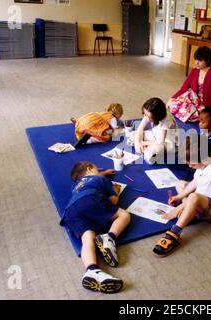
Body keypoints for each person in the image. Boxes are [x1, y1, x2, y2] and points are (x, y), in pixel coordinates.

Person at [60, 161, 131, 294]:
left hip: (71, 212)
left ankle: (92, 270)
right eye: (97, 169)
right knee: (124, 215)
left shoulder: (75, 186)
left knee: (87, 239)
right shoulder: (101, 179)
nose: (100, 171)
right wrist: (115, 190)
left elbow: (88, 179)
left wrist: (102, 173)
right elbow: (113, 201)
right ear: (89, 169)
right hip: (91, 200)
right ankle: (109, 238)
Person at [152, 139, 211, 257]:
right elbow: (196, 181)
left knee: (193, 197)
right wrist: (179, 196)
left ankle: (175, 232)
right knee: (180, 184)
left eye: (193, 164)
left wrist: (177, 209)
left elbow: (197, 196)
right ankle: (189, 210)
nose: (190, 166)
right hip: (204, 196)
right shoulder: (207, 161)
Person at [167, 46, 211, 123]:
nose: (196, 62)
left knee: (201, 117)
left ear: (207, 60)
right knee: (173, 104)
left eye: (200, 60)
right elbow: (184, 88)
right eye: (196, 59)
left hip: (205, 106)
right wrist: (172, 98)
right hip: (193, 102)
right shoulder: (194, 71)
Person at [132, 97, 178, 164]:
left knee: (151, 155)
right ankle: (147, 149)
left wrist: (142, 143)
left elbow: (160, 142)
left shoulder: (165, 123)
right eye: (145, 114)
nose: (145, 117)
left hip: (167, 143)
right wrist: (139, 142)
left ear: (156, 117)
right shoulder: (150, 113)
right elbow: (141, 127)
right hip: (155, 135)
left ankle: (147, 151)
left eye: (148, 116)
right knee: (133, 134)